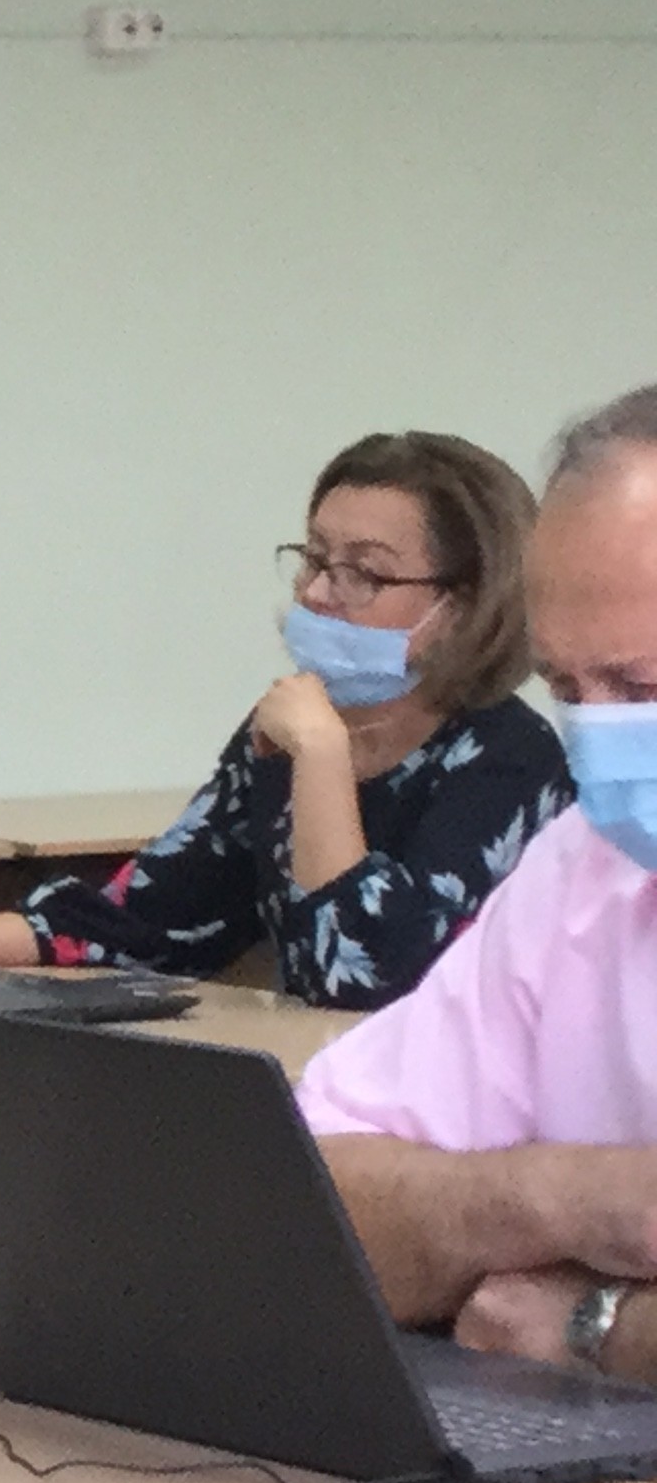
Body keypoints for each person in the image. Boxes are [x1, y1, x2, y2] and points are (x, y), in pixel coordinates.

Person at [0, 431, 568, 1009]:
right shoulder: (292, 732)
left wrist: (321, 756)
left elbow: (361, 976)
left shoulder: (508, 761)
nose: (316, 592)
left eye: (363, 572)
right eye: (315, 558)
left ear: (462, 607)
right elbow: (144, 923)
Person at [294, 386, 657, 1383]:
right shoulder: (587, 865)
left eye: (641, 687)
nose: (598, 736)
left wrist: (595, 1322)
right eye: (567, 688)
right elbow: (312, 1200)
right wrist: (566, 1200)